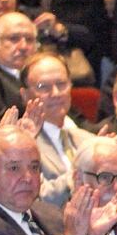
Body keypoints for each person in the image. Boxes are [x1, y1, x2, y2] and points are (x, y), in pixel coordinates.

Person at [18, 51, 94, 206]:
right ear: (25, 95)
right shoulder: (20, 143)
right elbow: (38, 196)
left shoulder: (87, 139)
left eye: (61, 84)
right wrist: (81, 174)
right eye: (43, 87)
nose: (56, 93)